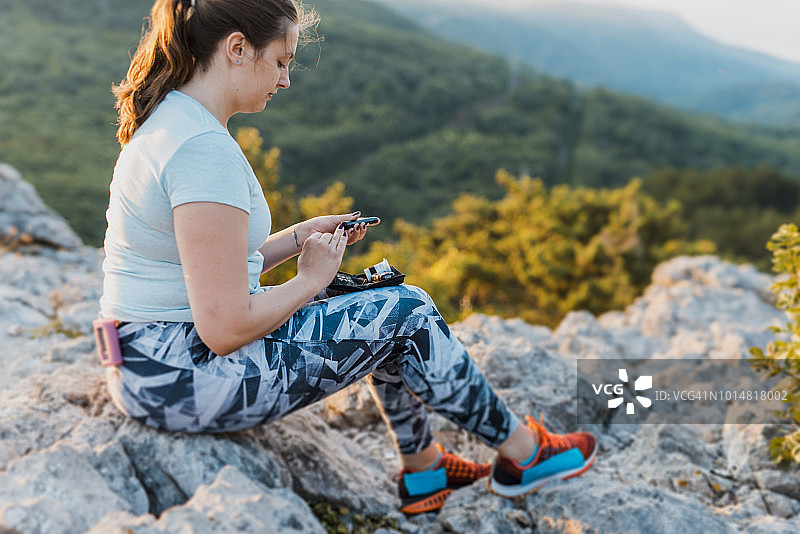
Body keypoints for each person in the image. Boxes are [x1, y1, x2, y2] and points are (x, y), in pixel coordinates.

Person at [100, 0, 597, 515]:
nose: (285, 79)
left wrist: (300, 238)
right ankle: (525, 455)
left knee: (378, 303)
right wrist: (309, 282)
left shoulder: (173, 121)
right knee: (406, 311)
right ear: (238, 49)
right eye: (281, 61)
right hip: (179, 374)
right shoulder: (202, 150)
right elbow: (224, 327)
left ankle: (425, 468)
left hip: (151, 365)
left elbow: (209, 267)